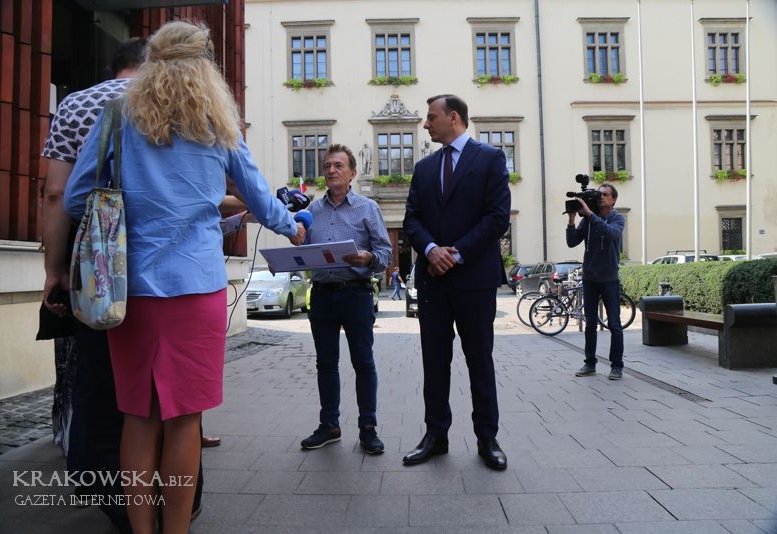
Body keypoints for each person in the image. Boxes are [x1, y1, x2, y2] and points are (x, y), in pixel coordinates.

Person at [63, 21, 306, 532]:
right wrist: (292, 226)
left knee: (137, 416)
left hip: (130, 288)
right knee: (185, 418)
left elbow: (75, 197)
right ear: (204, 65)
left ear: (152, 60)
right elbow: (259, 197)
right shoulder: (218, 124)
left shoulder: (118, 115)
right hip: (197, 285)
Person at [41, 37, 146, 533]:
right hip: (166, 268)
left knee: (102, 383)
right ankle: (175, 497)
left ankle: (117, 501)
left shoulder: (76, 104)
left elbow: (57, 192)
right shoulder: (179, 101)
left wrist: (55, 269)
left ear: (114, 67)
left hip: (100, 267)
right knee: (162, 394)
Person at [402, 94, 511, 470]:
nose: (425, 124)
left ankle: (487, 438)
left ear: (453, 118)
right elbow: (412, 219)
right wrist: (431, 249)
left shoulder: (490, 159)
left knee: (479, 360)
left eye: (431, 117)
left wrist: (456, 253)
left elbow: (498, 217)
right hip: (433, 281)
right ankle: (436, 436)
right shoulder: (424, 168)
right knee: (434, 362)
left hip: (475, 279)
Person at [300, 144, 392, 454]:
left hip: (356, 293)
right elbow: (303, 253)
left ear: (352, 173)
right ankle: (329, 425)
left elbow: (385, 253)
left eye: (338, 165)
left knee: (363, 362)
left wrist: (369, 258)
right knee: (326, 363)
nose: (331, 170)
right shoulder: (312, 212)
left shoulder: (367, 208)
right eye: (327, 165)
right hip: (322, 295)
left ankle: (368, 428)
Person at [566, 183, 626, 380]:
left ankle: (617, 366)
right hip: (590, 278)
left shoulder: (618, 218)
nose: (601, 197)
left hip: (609, 278)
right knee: (590, 324)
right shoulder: (587, 221)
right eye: (599, 194)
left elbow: (611, 234)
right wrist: (572, 219)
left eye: (605, 194)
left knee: (614, 325)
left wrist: (590, 215)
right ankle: (590, 363)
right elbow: (572, 242)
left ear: (613, 199)